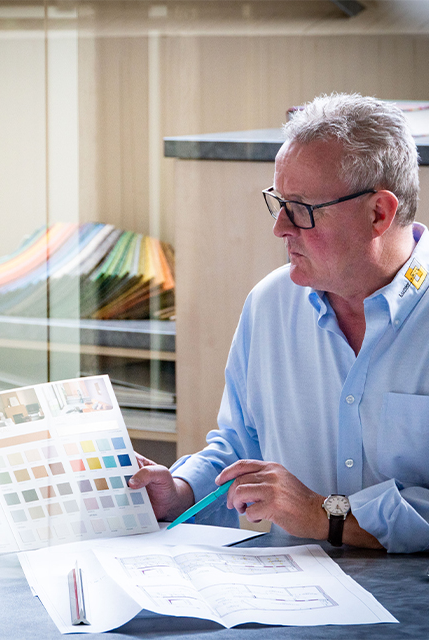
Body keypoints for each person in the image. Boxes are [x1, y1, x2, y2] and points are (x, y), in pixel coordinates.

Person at [131, 93, 429, 553]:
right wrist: (181, 492)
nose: (281, 227)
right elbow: (240, 447)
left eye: (304, 208)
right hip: (294, 604)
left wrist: (324, 514)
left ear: (379, 213)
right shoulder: (270, 304)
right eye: (279, 202)